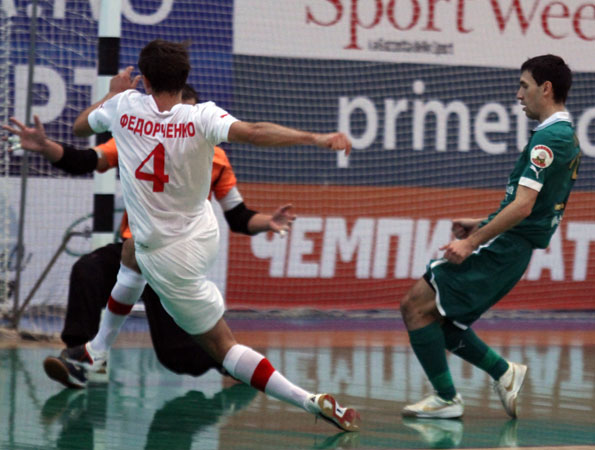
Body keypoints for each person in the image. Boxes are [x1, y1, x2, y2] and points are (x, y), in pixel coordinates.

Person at [72, 39, 358, 432]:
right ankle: (97, 350)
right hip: (203, 232)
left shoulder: (123, 107)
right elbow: (255, 132)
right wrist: (316, 139)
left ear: (146, 80)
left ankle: (307, 400)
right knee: (130, 252)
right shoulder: (201, 116)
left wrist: (111, 93)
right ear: (185, 78)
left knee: (222, 347)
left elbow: (79, 126)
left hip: (168, 257)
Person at [3, 85, 295, 381]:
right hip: (133, 250)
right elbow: (85, 160)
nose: (177, 121)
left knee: (179, 358)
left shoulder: (215, 158)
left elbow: (238, 216)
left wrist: (268, 221)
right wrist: (46, 147)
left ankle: (231, 360)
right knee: (88, 270)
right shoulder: (137, 135)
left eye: (186, 115)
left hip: (171, 258)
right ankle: (80, 359)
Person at [399, 54, 580, 419]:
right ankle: (501, 373)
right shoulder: (562, 136)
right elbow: (534, 206)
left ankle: (448, 398)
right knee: (441, 319)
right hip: (510, 246)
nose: (518, 94)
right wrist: (482, 222)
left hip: (505, 247)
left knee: (416, 305)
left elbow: (524, 207)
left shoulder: (550, 139)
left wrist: (471, 242)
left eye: (524, 86)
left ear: (546, 89)